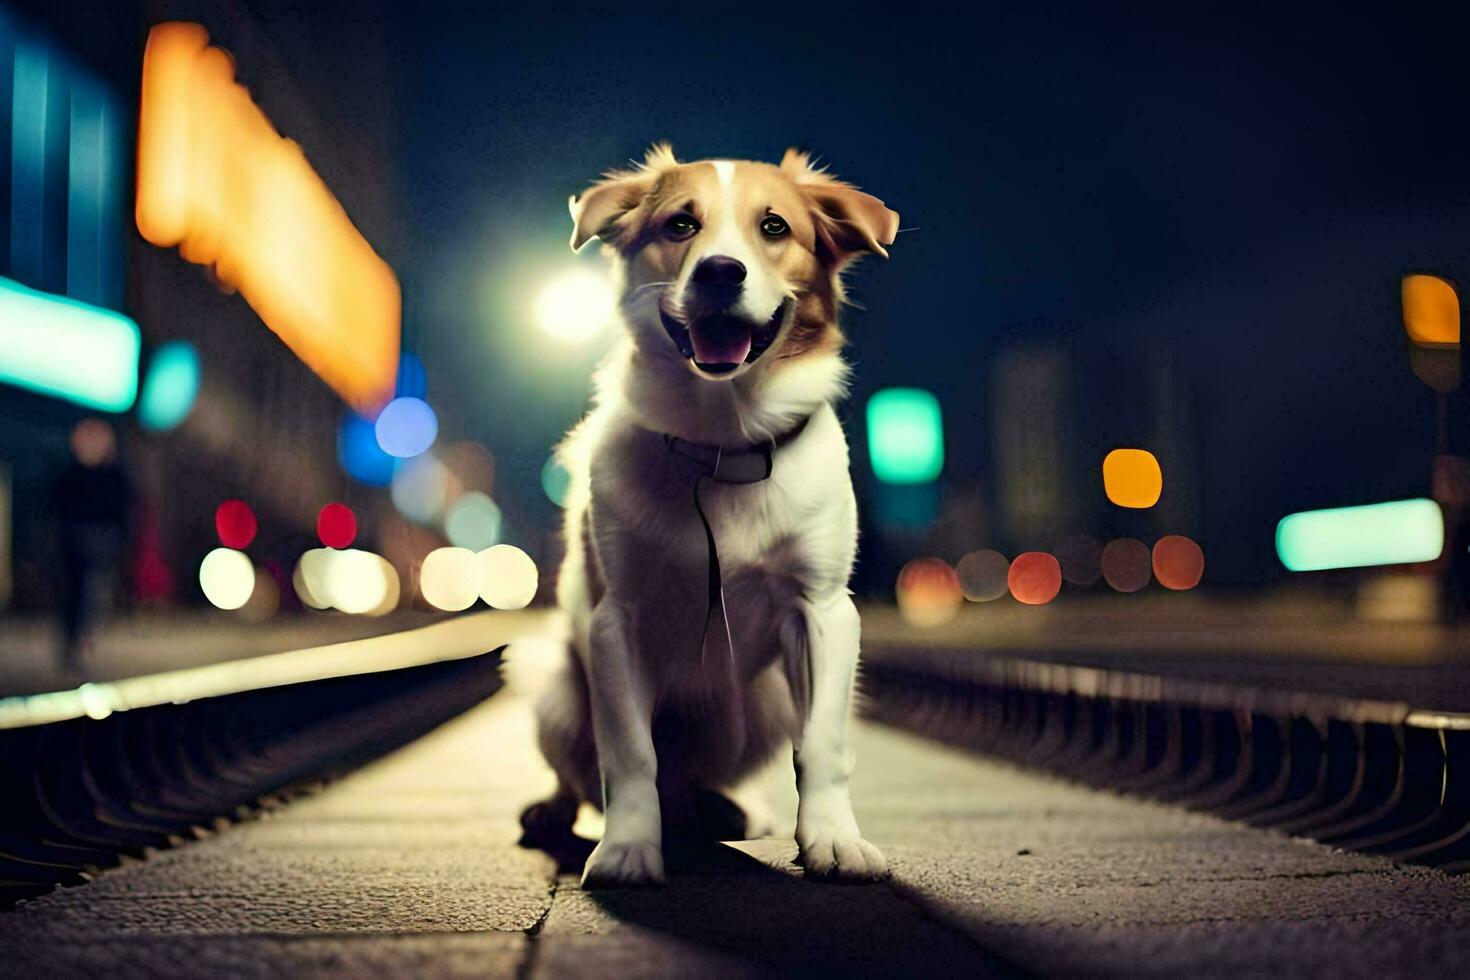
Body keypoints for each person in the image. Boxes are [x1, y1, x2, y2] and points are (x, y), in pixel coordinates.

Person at [52, 418, 132, 677]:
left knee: (96, 596)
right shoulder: (70, 474)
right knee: (75, 598)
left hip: (102, 546)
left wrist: (118, 541)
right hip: (74, 547)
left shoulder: (113, 476)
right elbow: (55, 511)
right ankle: (73, 645)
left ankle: (84, 640)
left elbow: (123, 513)